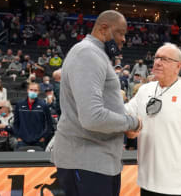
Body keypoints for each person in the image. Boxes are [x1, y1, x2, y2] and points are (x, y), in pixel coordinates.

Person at [51, 10, 141, 196]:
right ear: (103, 28)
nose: (124, 39)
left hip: (97, 161)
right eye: (121, 33)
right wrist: (132, 122)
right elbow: (92, 117)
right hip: (86, 162)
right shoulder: (88, 54)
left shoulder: (94, 54)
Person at [125, 43, 181, 196]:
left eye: (164, 59)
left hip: (177, 185)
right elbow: (125, 114)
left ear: (178, 66)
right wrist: (129, 127)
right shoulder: (145, 90)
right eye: (156, 58)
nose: (157, 62)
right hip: (146, 181)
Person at [13, 83, 53, 149]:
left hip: (39, 141)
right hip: (22, 141)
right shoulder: (19, 104)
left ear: (38, 92)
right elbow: (16, 123)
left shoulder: (44, 105)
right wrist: (18, 137)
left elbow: (49, 124)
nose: (33, 92)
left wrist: (43, 137)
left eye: (35, 90)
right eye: (31, 90)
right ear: (27, 90)